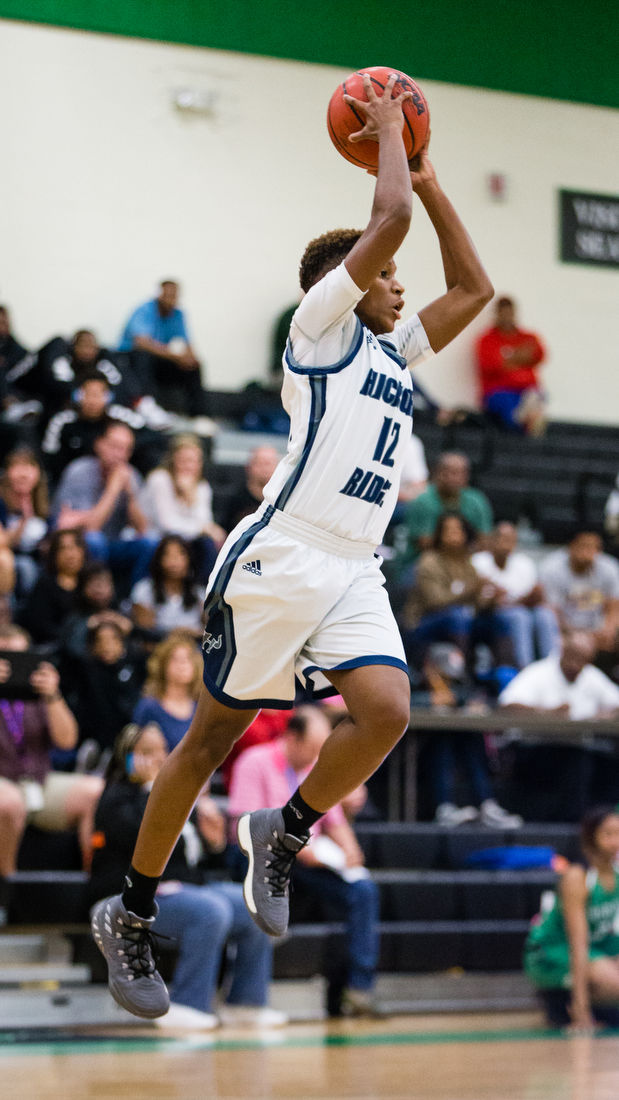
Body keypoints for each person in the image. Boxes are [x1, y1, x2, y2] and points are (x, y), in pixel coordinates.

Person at [90, 72, 493, 1019]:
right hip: (281, 559)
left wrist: (431, 180)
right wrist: (391, 136)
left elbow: (472, 285)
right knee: (210, 740)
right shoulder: (320, 334)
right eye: (386, 277)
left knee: (387, 710)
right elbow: (383, 219)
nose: (401, 287)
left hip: (355, 565)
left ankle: (286, 828)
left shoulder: (398, 355)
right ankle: (132, 912)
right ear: (346, 283)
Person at [90, 722, 284, 1030]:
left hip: (183, 889)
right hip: (128, 897)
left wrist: (216, 842)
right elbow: (136, 839)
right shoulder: (115, 798)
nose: (157, 758)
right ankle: (187, 1002)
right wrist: (153, 791)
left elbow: (194, 864)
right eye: (146, 752)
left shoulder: (176, 797)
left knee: (253, 903)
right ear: (127, 758)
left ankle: (246, 1001)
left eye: (162, 751)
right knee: (210, 911)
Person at [228, 705, 381, 1016]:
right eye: (311, 749)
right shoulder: (254, 762)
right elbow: (243, 824)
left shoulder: (314, 768)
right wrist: (293, 846)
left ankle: (358, 989)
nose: (315, 757)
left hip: (313, 860)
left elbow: (334, 819)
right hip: (264, 854)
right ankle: (251, 990)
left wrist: (350, 849)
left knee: (364, 889)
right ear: (292, 737)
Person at [0, 624, 103, 898]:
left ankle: (92, 887)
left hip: (37, 781)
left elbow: (67, 740)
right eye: (5, 657)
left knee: (95, 791)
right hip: (3, 784)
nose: (12, 666)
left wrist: (53, 695)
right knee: (8, 802)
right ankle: (9, 891)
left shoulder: (38, 695)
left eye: (20, 657)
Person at [498, 631, 619, 820]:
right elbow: (508, 704)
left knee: (605, 763)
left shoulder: (591, 676)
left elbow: (616, 702)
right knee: (575, 761)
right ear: (563, 652)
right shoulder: (539, 672)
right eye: (573, 658)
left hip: (576, 747)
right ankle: (565, 824)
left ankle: (596, 824)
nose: (576, 665)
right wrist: (547, 713)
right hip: (535, 748)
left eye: (582, 660)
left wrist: (603, 714)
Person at [524, 806, 619, 1031]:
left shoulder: (616, 875)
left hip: (598, 952)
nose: (616, 841)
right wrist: (581, 1010)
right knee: (611, 981)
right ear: (591, 838)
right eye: (609, 834)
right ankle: (563, 1003)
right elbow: (578, 944)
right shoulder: (577, 877)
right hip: (554, 953)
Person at [415, 642, 522, 828]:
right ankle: (444, 808)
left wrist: (464, 701)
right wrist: (429, 699)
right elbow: (401, 702)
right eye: (443, 676)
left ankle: (487, 805)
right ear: (430, 667)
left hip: (455, 746)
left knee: (470, 734)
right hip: (413, 752)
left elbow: (468, 697)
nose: (448, 682)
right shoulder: (412, 679)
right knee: (442, 738)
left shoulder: (460, 686)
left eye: (451, 678)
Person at [401, 512, 514, 673]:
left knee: (500, 620)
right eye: (449, 530)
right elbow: (435, 602)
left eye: (458, 530)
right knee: (458, 616)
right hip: (422, 623)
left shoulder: (468, 563)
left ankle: (505, 673)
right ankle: (463, 675)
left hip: (461, 622)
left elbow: (476, 606)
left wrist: (492, 601)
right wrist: (472, 589)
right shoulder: (429, 561)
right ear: (439, 534)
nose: (454, 534)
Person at [53, 419, 158, 588]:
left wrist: (130, 495)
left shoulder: (131, 475)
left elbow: (142, 529)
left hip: (114, 543)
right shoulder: (79, 471)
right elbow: (92, 527)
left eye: (126, 449)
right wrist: (113, 489)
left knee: (151, 542)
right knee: (95, 540)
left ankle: (137, 600)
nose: (120, 455)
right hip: (81, 544)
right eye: (114, 446)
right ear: (99, 444)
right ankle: (95, 595)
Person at [139, 434, 224, 584]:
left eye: (193, 461)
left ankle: (202, 593)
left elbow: (205, 522)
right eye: (183, 460)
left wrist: (190, 497)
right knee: (161, 547)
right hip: (153, 538)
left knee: (206, 544)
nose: (188, 466)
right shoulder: (160, 479)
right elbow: (166, 525)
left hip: (184, 541)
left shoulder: (201, 486)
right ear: (172, 460)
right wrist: (202, 528)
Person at [472, 521, 560, 668]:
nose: (506, 544)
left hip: (520, 610)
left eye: (511, 540)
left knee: (545, 615)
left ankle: (552, 667)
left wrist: (532, 598)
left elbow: (532, 597)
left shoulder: (524, 563)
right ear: (492, 540)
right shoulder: (478, 562)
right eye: (502, 539)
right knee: (519, 615)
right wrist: (516, 601)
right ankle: (524, 669)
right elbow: (483, 602)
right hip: (487, 617)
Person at [118, 279, 209, 416]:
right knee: (144, 357)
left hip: (159, 359)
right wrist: (176, 357)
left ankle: (199, 416)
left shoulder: (178, 314)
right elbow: (142, 343)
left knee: (194, 366)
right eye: (167, 295)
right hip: (130, 359)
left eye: (174, 296)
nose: (170, 299)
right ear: (159, 294)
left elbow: (187, 342)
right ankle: (147, 408)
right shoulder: (145, 310)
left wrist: (190, 358)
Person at [41, 371, 148, 484]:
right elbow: (49, 458)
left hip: (114, 479)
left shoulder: (121, 416)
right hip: (72, 483)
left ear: (108, 397)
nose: (93, 400)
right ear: (78, 395)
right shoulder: (62, 421)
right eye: (88, 393)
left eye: (98, 394)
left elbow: (150, 437)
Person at [396, 452, 493, 572]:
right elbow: (425, 544)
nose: (454, 478)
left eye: (460, 473)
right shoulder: (423, 500)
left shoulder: (476, 500)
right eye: (449, 472)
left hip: (465, 560)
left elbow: (485, 541)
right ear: (437, 473)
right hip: (421, 561)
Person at [540, 531, 619, 658]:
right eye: (584, 546)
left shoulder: (609, 568)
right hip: (564, 630)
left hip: (597, 629)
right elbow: (552, 612)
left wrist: (607, 630)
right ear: (571, 546)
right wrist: (575, 635)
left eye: (594, 547)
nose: (589, 551)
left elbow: (614, 605)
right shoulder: (552, 568)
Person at [476, 295, 546, 434]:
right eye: (504, 313)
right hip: (499, 392)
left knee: (537, 396)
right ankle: (527, 422)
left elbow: (539, 355)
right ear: (497, 314)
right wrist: (520, 357)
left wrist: (508, 359)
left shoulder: (528, 337)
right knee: (509, 409)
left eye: (510, 313)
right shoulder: (487, 339)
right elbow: (490, 365)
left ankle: (529, 419)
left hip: (527, 390)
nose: (507, 317)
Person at [132, 631, 201, 752]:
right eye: (175, 659)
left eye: (187, 659)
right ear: (163, 665)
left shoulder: (201, 707)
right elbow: (132, 755)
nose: (182, 665)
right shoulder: (148, 707)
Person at [18, 528, 86, 647]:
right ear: (54, 555)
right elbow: (39, 625)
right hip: (54, 646)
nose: (70, 554)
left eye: (74, 547)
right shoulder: (45, 585)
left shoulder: (90, 581)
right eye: (63, 548)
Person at [131, 535, 205, 640]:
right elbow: (146, 633)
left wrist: (191, 634)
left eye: (180, 554)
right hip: (159, 648)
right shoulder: (144, 590)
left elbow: (211, 630)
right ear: (158, 560)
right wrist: (176, 633)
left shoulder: (200, 593)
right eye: (167, 555)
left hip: (195, 648)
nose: (174, 560)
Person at [0, 447, 50, 599]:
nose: (23, 474)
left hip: (38, 558)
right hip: (15, 558)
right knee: (26, 567)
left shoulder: (42, 501)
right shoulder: (1, 502)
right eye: (17, 467)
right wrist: (24, 520)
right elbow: (3, 542)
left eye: (29, 467)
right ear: (7, 473)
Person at [221, 445, 281, 533]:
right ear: (248, 467)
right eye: (260, 463)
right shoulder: (236, 499)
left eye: (269, 464)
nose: (265, 469)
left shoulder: (284, 500)